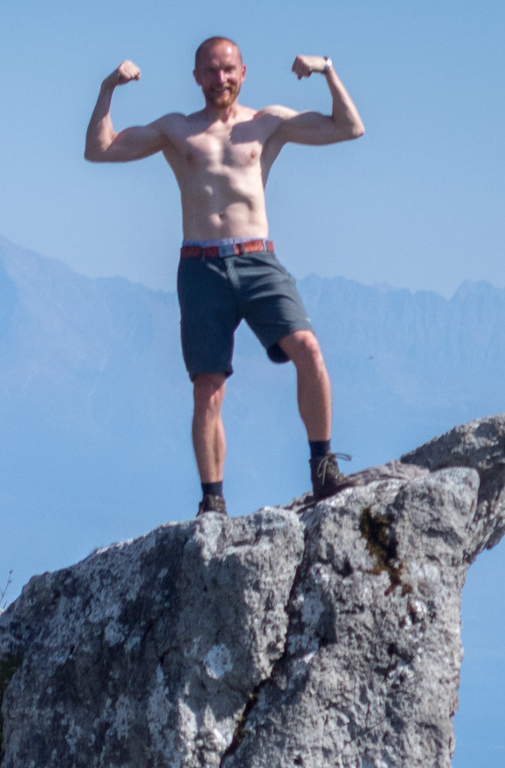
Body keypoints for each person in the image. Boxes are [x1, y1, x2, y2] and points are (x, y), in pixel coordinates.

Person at [85, 38, 365, 515]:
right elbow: (100, 150)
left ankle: (323, 469)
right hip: (200, 267)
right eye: (211, 72)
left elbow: (349, 127)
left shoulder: (267, 123)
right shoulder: (177, 130)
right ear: (196, 77)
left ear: (244, 72)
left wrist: (327, 70)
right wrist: (109, 87)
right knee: (207, 388)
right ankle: (212, 501)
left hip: (257, 259)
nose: (221, 79)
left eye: (229, 70)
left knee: (309, 349)